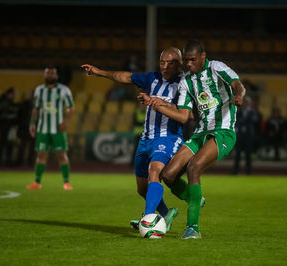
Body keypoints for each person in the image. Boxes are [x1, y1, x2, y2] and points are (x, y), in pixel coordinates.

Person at [139, 39, 245, 239]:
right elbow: (183, 114)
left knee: (193, 167)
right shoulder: (187, 81)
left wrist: (238, 95)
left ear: (203, 56)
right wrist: (158, 103)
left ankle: (193, 228)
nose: (188, 64)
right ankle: (195, 198)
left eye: (192, 60)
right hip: (200, 133)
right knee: (168, 175)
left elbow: (237, 84)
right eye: (186, 61)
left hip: (222, 132)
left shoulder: (216, 67)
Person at [81, 47, 189, 232]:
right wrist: (100, 72)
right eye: (162, 62)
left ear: (179, 63)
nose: (164, 66)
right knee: (142, 189)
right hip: (146, 139)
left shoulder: (185, 84)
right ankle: (165, 213)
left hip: (167, 137)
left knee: (154, 172)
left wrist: (158, 102)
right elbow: (125, 77)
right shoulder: (152, 78)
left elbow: (185, 114)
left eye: (169, 63)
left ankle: (147, 219)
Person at [26, 67, 74, 190]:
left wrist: (65, 121)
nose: (50, 75)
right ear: (44, 75)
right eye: (47, 73)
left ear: (56, 76)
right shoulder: (39, 90)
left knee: (61, 155)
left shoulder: (64, 90)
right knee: (41, 155)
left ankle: (66, 182)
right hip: (43, 128)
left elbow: (70, 107)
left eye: (52, 73)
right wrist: (32, 123)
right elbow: (36, 108)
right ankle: (37, 182)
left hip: (58, 128)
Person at [0, 87, 18, 166]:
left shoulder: (9, 102)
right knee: (2, 144)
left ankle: (7, 161)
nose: (13, 96)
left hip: (9, 126)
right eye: (12, 94)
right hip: (3, 125)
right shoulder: (2, 102)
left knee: (9, 144)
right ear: (9, 94)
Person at [233, 96, 258, 175]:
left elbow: (254, 120)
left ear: (249, 104)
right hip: (240, 135)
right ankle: (235, 171)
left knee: (248, 154)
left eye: (247, 102)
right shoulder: (239, 111)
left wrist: (243, 121)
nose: (246, 104)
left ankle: (248, 172)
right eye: (245, 102)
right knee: (238, 154)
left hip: (248, 136)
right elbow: (236, 121)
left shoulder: (252, 112)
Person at [16, 90, 35, 166]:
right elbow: (20, 116)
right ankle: (19, 162)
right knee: (22, 146)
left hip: (33, 129)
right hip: (24, 128)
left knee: (32, 147)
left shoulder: (38, 105)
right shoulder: (24, 104)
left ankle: (30, 162)